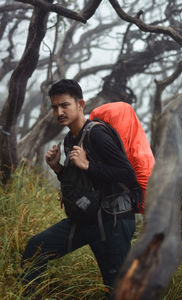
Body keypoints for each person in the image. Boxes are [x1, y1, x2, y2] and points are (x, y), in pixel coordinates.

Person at [21, 79, 142, 298]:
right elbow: (80, 184)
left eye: (65, 105)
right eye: (55, 107)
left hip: (112, 221)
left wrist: (89, 165)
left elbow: (127, 174)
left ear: (80, 104)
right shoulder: (70, 139)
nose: (59, 111)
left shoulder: (97, 134)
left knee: (117, 289)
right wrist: (57, 168)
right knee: (35, 249)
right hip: (84, 217)